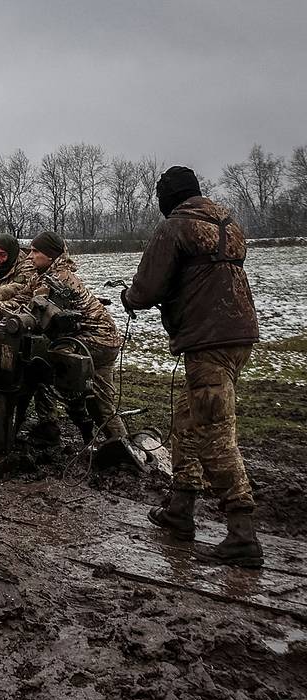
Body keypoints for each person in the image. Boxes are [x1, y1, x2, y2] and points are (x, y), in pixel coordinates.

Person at [123, 165, 262, 568]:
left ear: (168, 197)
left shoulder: (175, 227)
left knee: (214, 433)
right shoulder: (227, 222)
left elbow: (147, 288)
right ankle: (180, 510)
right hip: (239, 335)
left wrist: (129, 299)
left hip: (208, 340)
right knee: (186, 421)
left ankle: (242, 533)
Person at [22, 231, 127, 444]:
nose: (29, 257)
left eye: (35, 251)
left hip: (95, 341)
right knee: (101, 401)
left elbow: (34, 317)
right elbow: (23, 297)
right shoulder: (54, 274)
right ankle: (120, 444)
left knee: (46, 368)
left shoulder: (55, 280)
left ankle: (57, 426)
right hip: (107, 340)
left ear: (50, 255)